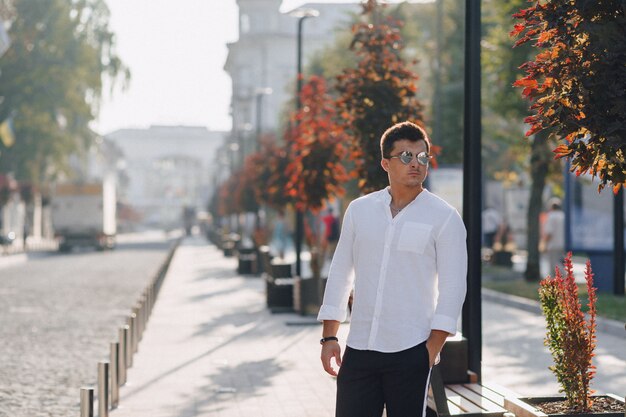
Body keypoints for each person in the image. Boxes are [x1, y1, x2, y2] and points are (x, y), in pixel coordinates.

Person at [317, 121, 468, 417]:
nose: (416, 163)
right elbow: (340, 273)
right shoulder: (359, 210)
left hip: (411, 350)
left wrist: (431, 350)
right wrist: (330, 337)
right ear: (385, 163)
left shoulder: (444, 218)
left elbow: (453, 288)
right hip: (359, 348)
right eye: (406, 156)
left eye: (422, 157)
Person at [541, 197, 565, 274]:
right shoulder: (563, 216)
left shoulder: (550, 216)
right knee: (561, 263)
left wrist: (544, 244)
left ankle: (565, 277)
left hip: (553, 245)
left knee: (554, 266)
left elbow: (549, 232)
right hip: (563, 244)